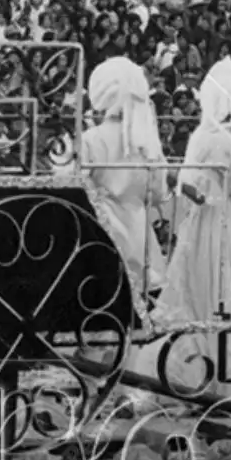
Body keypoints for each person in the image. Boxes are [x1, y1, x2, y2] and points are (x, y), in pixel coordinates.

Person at [142, 58, 231, 394]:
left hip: (207, 221)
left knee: (200, 285)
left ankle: (199, 352)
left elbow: (193, 189)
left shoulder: (205, 137)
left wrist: (183, 181)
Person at [79, 56, 168, 299]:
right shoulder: (147, 144)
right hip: (140, 234)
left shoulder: (91, 139)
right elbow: (159, 193)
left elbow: (78, 186)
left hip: (101, 233)